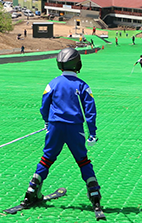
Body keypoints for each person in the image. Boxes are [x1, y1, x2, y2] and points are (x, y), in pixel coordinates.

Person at [18, 48, 103, 214]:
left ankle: (31, 191)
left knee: (47, 159)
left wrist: (47, 121)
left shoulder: (53, 83)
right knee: (83, 161)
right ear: (78, 64)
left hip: (55, 127)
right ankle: (95, 195)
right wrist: (92, 133)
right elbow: (90, 112)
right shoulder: (83, 86)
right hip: (75, 128)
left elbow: (44, 106)